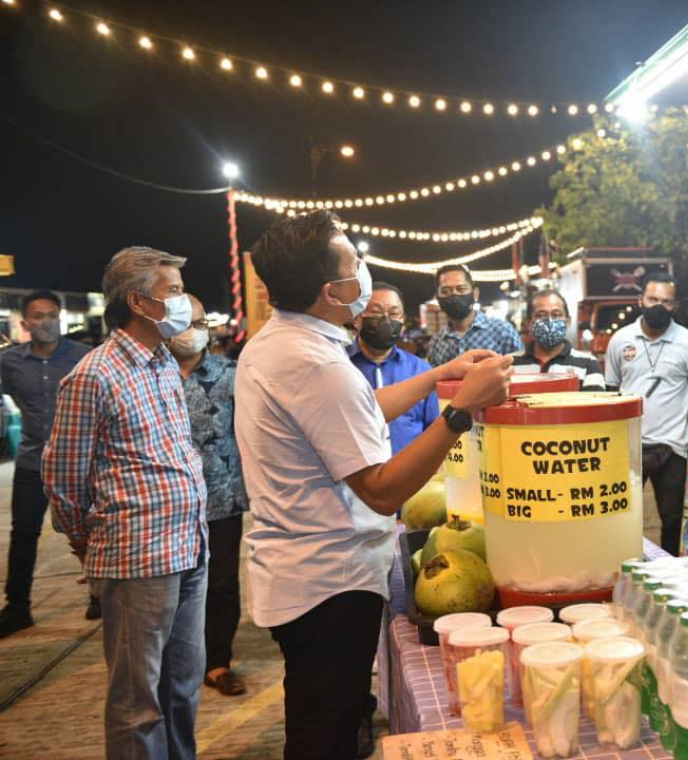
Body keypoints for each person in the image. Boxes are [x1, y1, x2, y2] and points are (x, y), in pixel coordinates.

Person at [235, 211, 511, 760]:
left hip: (302, 570)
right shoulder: (316, 363)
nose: (363, 271)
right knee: (325, 734)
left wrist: (437, 376)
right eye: (354, 264)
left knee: (320, 718)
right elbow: (382, 490)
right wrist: (460, 412)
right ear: (331, 290)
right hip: (328, 582)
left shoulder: (282, 343)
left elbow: (358, 413)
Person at [43, 247, 208, 760]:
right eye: (174, 292)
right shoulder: (94, 375)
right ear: (139, 301)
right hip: (138, 560)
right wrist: (86, 543)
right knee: (138, 704)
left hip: (190, 549)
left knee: (181, 690)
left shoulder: (162, 362)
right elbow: (64, 476)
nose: (183, 303)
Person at [168, 294, 249, 698]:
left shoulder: (231, 374)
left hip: (222, 498)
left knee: (220, 584)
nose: (192, 332)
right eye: (185, 323)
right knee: (173, 587)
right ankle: (178, 664)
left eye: (200, 324)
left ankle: (218, 663)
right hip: (166, 504)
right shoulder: (152, 375)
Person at [0, 290, 92, 637]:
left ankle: (99, 595)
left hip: (79, 462)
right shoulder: (10, 362)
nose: (46, 322)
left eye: (52, 314)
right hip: (31, 461)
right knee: (23, 533)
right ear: (25, 323)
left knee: (91, 531)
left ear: (61, 318)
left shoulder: (84, 357)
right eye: (38, 316)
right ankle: (18, 607)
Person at [605, 272, 688, 554]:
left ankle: (669, 572)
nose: (658, 306)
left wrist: (678, 418)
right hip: (629, 446)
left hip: (671, 447)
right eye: (653, 299)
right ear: (640, 299)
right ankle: (624, 566)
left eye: (666, 301)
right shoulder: (621, 340)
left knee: (672, 518)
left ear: (675, 306)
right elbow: (611, 389)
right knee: (624, 516)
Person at [348, 281, 439, 454]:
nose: (386, 319)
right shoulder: (340, 368)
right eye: (375, 312)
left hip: (412, 474)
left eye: (394, 313)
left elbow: (434, 430)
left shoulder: (421, 371)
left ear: (403, 321)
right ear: (358, 319)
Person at [426, 264, 522, 365]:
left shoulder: (502, 331)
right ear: (438, 298)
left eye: (461, 289)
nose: (454, 295)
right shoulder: (436, 343)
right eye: (445, 291)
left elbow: (522, 373)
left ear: (475, 294)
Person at [511, 289, 604, 390]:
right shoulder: (510, 364)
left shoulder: (589, 364)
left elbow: (594, 404)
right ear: (529, 323)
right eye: (541, 315)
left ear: (568, 321)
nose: (550, 321)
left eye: (556, 315)